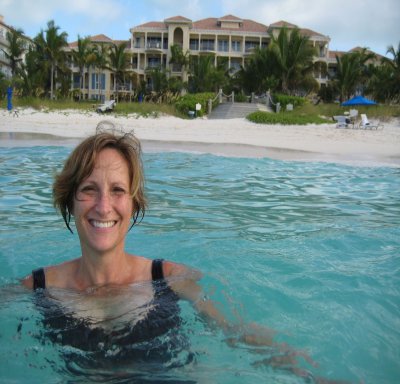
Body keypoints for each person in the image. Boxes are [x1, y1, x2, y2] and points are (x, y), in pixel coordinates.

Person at [21, 127, 344, 382]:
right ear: (70, 201)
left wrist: (312, 375)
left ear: (133, 205)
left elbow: (237, 332)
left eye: (118, 190)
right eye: (89, 189)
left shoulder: (172, 278)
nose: (104, 206)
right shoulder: (36, 287)